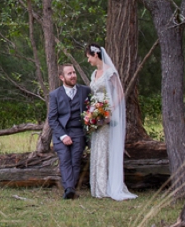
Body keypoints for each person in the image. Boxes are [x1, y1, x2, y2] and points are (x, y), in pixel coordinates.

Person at [85, 43, 137, 201]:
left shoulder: (109, 71)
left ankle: (107, 186)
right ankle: (98, 187)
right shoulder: (95, 73)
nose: (88, 61)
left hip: (107, 115)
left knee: (105, 148)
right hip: (96, 114)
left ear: (95, 55)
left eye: (88, 57)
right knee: (97, 147)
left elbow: (119, 91)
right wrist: (91, 113)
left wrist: (110, 110)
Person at [48, 63, 91, 200]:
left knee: (75, 160)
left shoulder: (85, 91)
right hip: (61, 133)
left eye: (74, 73)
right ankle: (70, 189)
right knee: (65, 159)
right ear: (62, 77)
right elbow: (52, 119)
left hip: (78, 131)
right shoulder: (55, 95)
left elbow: (92, 110)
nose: (73, 76)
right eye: (69, 74)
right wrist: (63, 135)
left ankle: (69, 189)